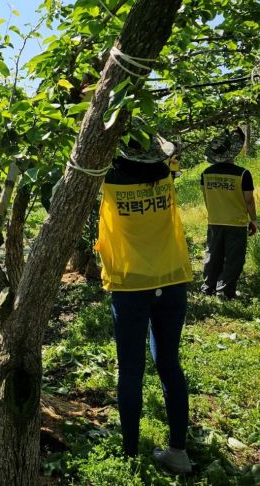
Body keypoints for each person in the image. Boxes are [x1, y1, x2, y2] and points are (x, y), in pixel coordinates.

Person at [94, 132, 193, 474]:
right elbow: (172, 152)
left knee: (132, 371)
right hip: (171, 278)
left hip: (129, 284)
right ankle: (178, 451)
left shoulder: (107, 178)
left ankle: (131, 454)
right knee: (170, 365)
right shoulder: (166, 176)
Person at [200, 128, 257, 299]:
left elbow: (206, 197)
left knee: (212, 255)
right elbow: (248, 200)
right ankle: (225, 291)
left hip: (215, 221)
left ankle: (208, 288)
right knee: (233, 259)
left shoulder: (206, 173)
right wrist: (253, 219)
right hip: (236, 223)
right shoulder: (243, 174)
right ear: (234, 152)